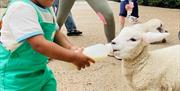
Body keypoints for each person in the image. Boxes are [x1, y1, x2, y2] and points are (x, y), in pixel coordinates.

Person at [0, 0, 95, 90]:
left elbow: (56, 32)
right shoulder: (21, 8)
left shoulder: (47, 6)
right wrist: (73, 57)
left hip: (40, 70)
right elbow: (39, 44)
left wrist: (70, 47)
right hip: (16, 76)